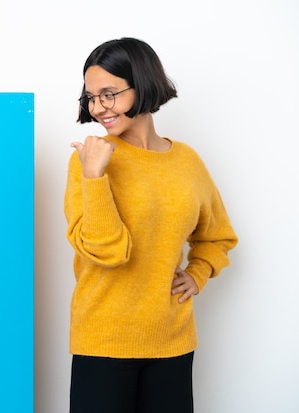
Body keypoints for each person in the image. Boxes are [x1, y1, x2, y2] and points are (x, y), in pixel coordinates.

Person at [65, 37, 238, 413]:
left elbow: (217, 235)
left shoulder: (187, 162)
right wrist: (95, 177)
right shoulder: (90, 159)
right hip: (103, 341)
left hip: (172, 340)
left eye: (108, 93)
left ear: (142, 84)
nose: (98, 108)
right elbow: (107, 252)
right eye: (91, 97)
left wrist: (199, 271)